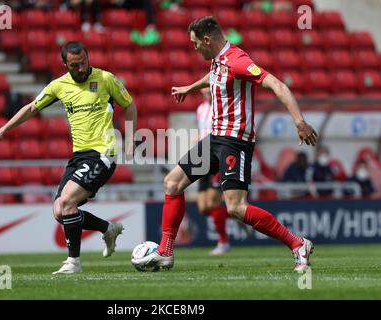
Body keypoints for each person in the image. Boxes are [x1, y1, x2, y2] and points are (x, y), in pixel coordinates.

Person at [132, 16, 318, 272]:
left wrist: (299, 121)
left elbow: (277, 84)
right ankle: (165, 252)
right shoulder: (218, 60)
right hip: (215, 138)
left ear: (207, 39)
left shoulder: (238, 61)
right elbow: (214, 76)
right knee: (172, 183)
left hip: (235, 142)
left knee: (236, 207)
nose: (194, 48)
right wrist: (190, 87)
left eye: (195, 43)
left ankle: (298, 244)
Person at [0, 41, 138, 274]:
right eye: (75, 65)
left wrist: (130, 138)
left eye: (84, 63)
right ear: (65, 64)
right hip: (78, 156)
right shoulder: (59, 86)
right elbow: (31, 108)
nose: (81, 69)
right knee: (60, 211)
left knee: (67, 203)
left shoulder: (105, 79)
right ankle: (108, 228)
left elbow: (130, 105)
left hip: (103, 153)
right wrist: (3, 130)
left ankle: (73, 263)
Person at [196, 88, 230, 256]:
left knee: (212, 203)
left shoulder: (222, 108)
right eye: (203, 91)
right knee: (203, 207)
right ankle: (234, 214)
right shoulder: (200, 109)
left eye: (208, 90)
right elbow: (201, 131)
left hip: (216, 157)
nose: (205, 93)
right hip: (202, 156)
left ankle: (223, 242)